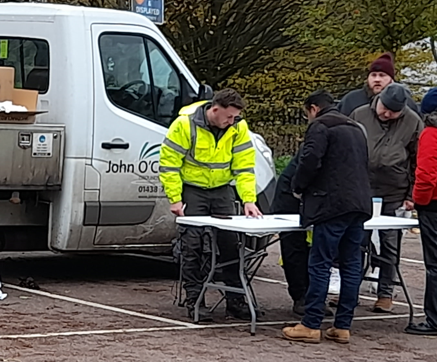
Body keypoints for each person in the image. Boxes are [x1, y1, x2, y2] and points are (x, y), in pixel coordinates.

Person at [159, 88, 262, 321]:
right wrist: (175, 198)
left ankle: (235, 301)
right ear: (215, 110)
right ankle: (195, 301)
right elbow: (169, 164)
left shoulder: (238, 128)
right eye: (228, 116)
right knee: (192, 246)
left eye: (235, 117)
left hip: (222, 191)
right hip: (192, 190)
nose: (231, 121)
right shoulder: (184, 126)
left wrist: (248, 200)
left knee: (230, 245)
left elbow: (245, 166)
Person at [283, 91, 372, 344]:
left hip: (331, 203)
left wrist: (298, 187)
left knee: (320, 262)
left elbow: (310, 160)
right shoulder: (355, 127)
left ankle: (311, 324)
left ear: (313, 108)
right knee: (351, 264)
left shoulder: (321, 126)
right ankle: (343, 325)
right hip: (360, 203)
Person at [350, 82, 422, 312]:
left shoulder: (412, 121)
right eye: (385, 109)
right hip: (361, 189)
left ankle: (385, 292)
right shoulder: (360, 114)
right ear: (378, 100)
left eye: (394, 111)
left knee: (390, 245)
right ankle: (348, 290)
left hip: (394, 191)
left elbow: (417, 159)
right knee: (355, 241)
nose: (387, 114)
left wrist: (411, 195)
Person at [406, 88, 437, 336]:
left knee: (434, 264)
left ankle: (434, 319)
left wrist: (419, 200)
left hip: (433, 205)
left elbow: (426, 175)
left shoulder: (430, 134)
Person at [270, 159, 309, 316]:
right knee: (294, 249)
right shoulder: (319, 139)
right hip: (291, 195)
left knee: (313, 251)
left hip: (311, 195)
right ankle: (300, 297)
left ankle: (312, 297)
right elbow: (308, 167)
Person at [338, 52, 418, 114]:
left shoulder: (405, 102)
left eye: (382, 75)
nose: (377, 79)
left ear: (391, 79)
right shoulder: (351, 100)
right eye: (373, 75)